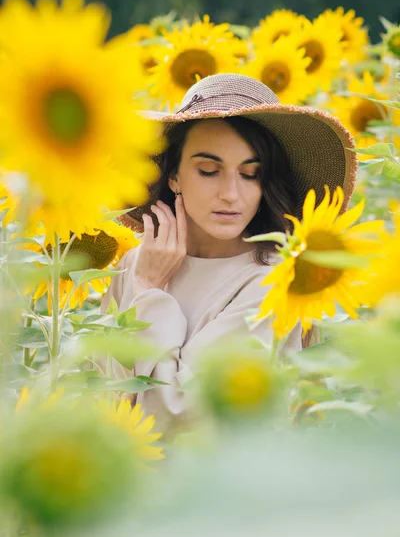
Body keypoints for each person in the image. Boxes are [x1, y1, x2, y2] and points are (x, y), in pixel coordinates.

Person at [101, 73, 357, 432]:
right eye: (209, 170)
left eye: (251, 174)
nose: (231, 194)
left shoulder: (273, 281)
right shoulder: (133, 263)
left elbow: (181, 417)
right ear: (173, 176)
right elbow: (98, 388)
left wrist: (148, 293)